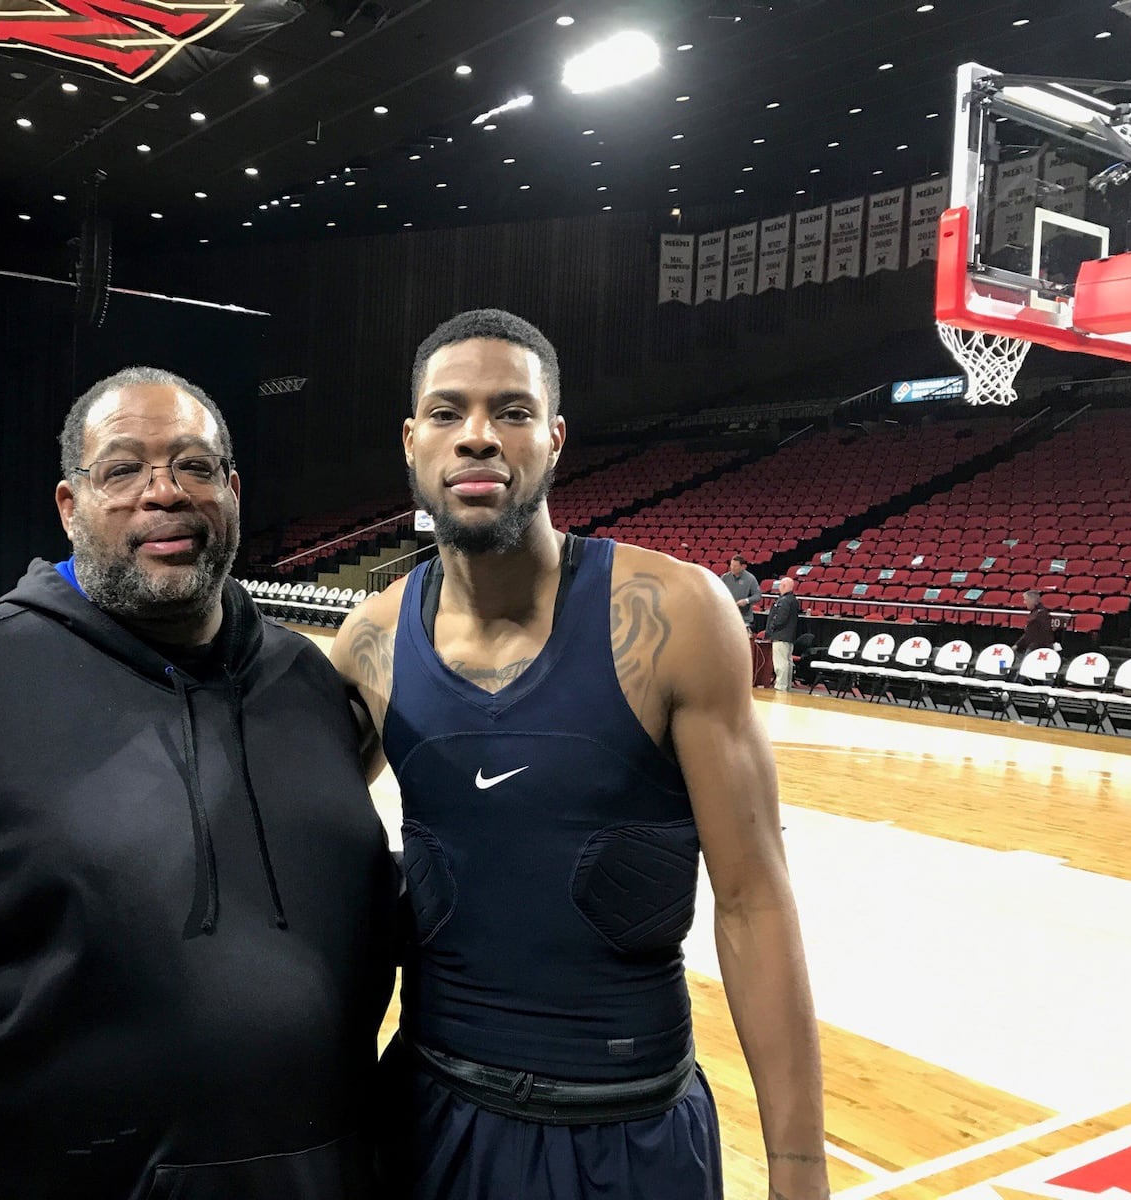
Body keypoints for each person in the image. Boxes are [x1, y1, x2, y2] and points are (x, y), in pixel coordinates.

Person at [0, 366, 398, 1200]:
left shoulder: (309, 687)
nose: (163, 492)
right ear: (69, 506)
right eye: (122, 468)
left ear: (234, 491)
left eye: (195, 466)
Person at [331, 309, 826, 1200]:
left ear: (554, 440)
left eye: (511, 411)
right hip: (430, 1117)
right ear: (412, 442)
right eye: (447, 413)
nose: (478, 435)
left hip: (627, 1130)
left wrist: (797, 1168)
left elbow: (753, 900)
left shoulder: (676, 613)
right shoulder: (370, 641)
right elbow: (284, 841)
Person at [766, 576, 802, 692]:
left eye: (780, 585)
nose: (779, 588)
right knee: (787, 661)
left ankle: (780, 686)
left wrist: (772, 627)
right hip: (789, 636)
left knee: (780, 662)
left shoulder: (784, 601)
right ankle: (786, 686)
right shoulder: (793, 600)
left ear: (784, 586)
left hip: (781, 635)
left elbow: (780, 618)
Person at [722, 553, 762, 630]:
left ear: (743, 567)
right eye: (731, 565)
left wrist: (746, 601)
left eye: (735, 566)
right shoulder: (725, 577)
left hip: (743, 618)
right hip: (727, 616)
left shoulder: (750, 579)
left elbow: (757, 595)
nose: (732, 568)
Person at [1013, 589, 1057, 658]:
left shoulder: (1038, 615)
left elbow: (1030, 633)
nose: (1024, 602)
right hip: (1039, 646)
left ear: (1032, 600)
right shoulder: (1039, 612)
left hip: (1038, 648)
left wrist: (1017, 645)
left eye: (1026, 600)